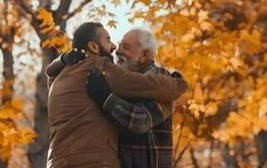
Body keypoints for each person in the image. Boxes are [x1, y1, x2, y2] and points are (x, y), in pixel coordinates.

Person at [46, 22, 187, 168]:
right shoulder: (102, 70)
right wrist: (178, 84)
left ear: (144, 55)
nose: (116, 49)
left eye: (125, 47)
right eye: (110, 41)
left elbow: (140, 121)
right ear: (94, 46)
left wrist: (106, 98)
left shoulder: (61, 76)